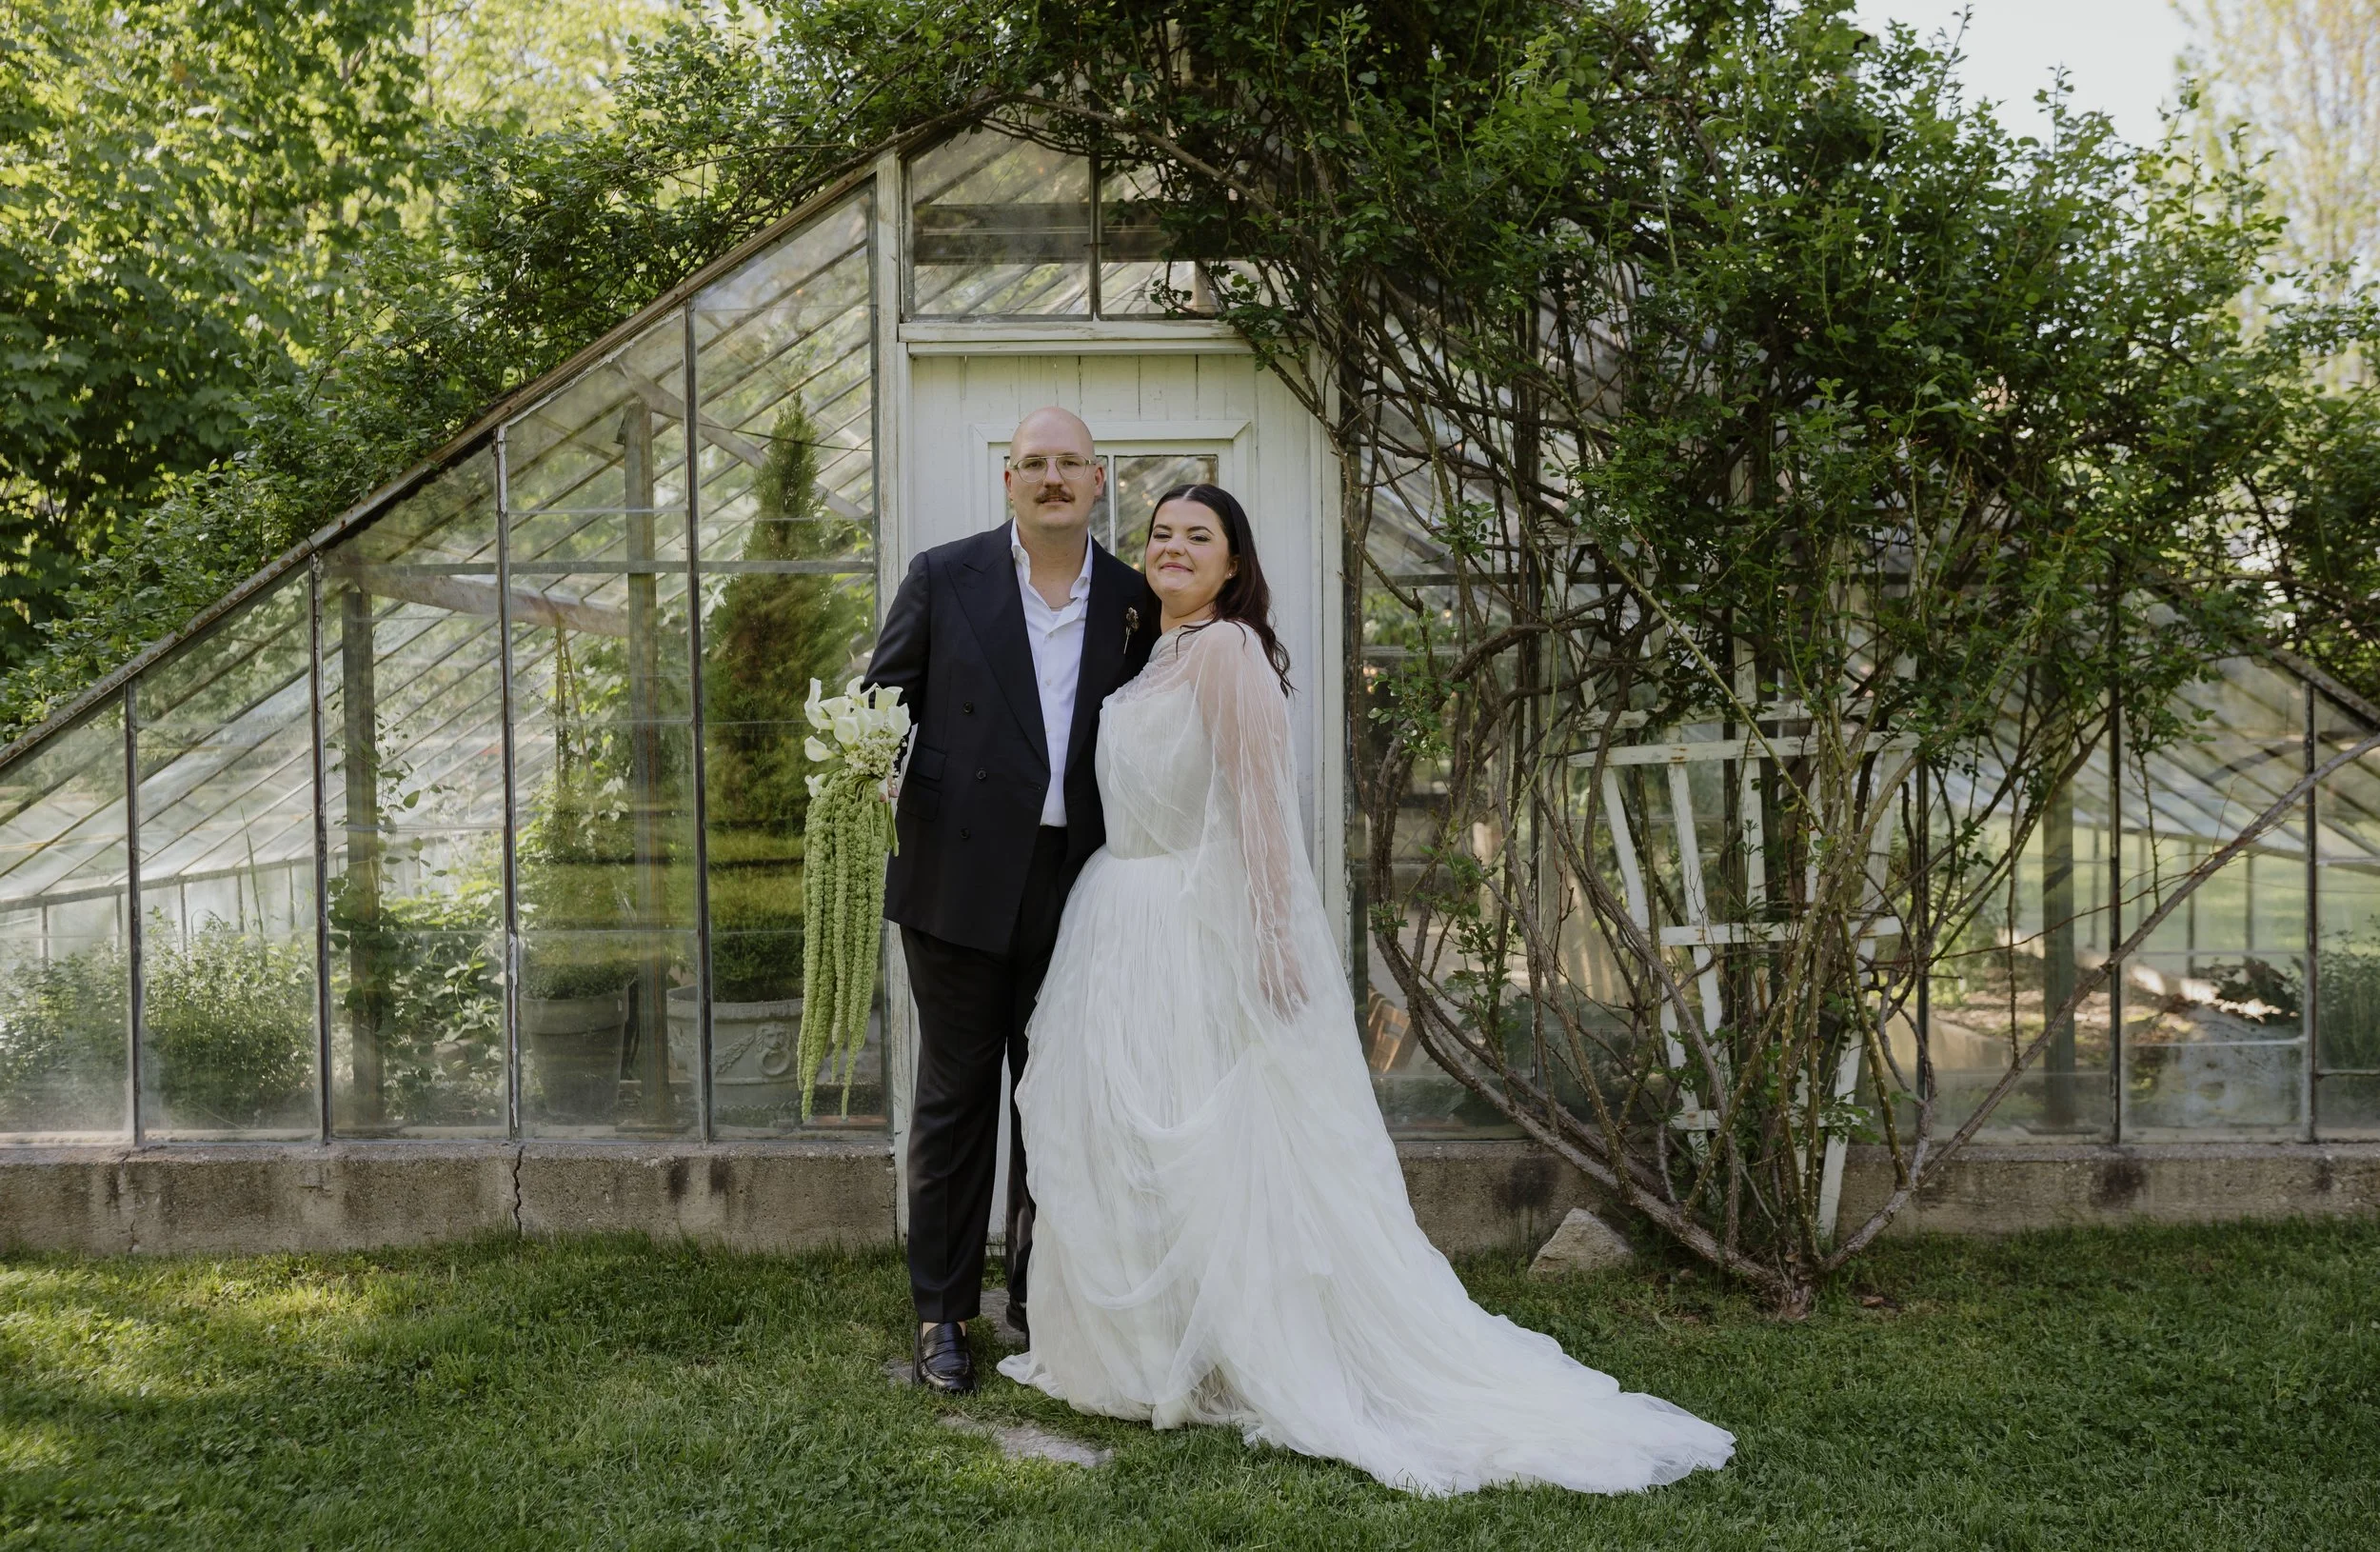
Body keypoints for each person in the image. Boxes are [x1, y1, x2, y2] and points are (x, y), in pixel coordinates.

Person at [995, 485, 1735, 1495]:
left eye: (1196, 537)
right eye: (1161, 533)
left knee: (1217, 1149)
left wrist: (1267, 939)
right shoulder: (1154, 651)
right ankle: (1153, 1348)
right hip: (1116, 920)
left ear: (1232, 565)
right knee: (1129, 1141)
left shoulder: (1226, 653)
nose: (1171, 548)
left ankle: (1235, 1350)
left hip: (1188, 928)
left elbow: (1260, 806)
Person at [864, 407, 1160, 1395]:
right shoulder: (942, 576)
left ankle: (1042, 1298)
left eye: (1068, 463)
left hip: (1078, 885)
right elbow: (882, 707)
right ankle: (943, 1314)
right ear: (1007, 483)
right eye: (1031, 464)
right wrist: (882, 782)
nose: (1050, 479)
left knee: (1058, 1101)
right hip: (954, 879)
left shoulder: (1133, 596)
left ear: (1097, 480)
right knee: (955, 1101)